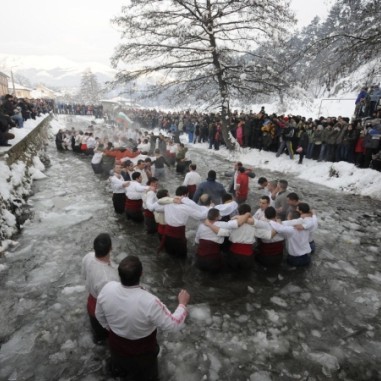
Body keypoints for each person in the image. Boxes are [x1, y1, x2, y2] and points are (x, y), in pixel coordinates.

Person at [96, 256, 190, 381]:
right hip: (142, 355)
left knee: (121, 373)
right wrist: (182, 304)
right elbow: (173, 325)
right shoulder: (150, 302)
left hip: (116, 347)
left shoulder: (107, 288)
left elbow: (99, 314)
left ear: (119, 274)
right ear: (141, 273)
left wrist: (111, 329)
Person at [82, 233, 119, 344]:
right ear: (111, 248)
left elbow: (84, 275)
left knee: (98, 338)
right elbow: (110, 303)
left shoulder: (88, 257)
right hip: (101, 311)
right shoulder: (108, 278)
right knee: (106, 340)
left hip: (91, 304)